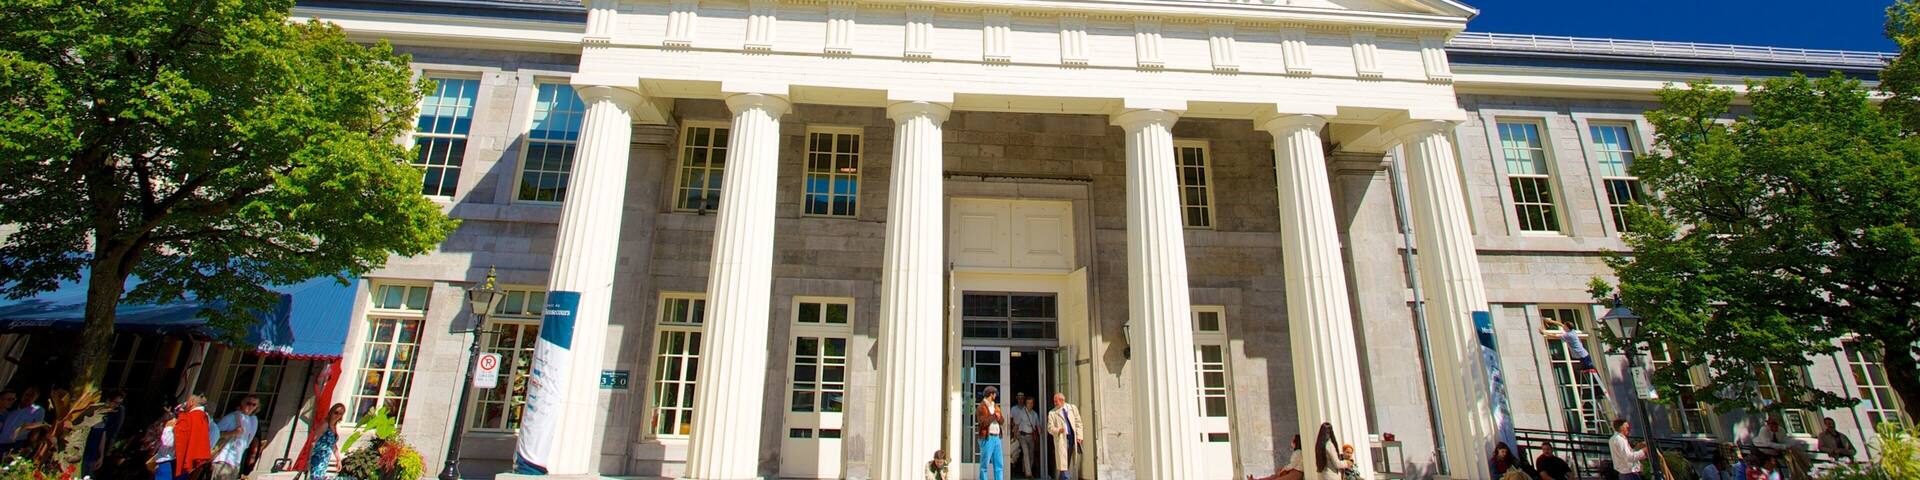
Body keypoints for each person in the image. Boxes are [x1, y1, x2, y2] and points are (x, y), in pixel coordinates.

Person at [211, 395, 261, 480]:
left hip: (236, 462)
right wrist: (232, 433)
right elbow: (216, 433)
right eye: (248, 403)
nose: (251, 406)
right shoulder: (231, 417)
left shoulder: (250, 420)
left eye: (254, 405)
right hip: (223, 459)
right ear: (242, 403)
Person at [85, 390, 127, 476]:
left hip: (93, 453)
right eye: (115, 403)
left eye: (119, 404)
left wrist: (101, 455)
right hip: (86, 450)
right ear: (108, 400)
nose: (116, 406)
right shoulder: (96, 413)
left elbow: (103, 435)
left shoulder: (107, 416)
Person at [173, 394, 215, 479]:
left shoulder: (192, 416)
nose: (185, 403)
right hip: (191, 460)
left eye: (187, 401)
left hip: (181, 458)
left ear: (192, 402)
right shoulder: (203, 417)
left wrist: (179, 414)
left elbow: (179, 435)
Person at [1046, 392, 1085, 480]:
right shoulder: (1052, 413)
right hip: (1061, 439)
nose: (1055, 403)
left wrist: (1079, 436)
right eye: (1054, 401)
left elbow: (1078, 422)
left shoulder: (1072, 408)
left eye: (1056, 401)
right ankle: (1066, 478)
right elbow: (1049, 428)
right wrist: (1058, 430)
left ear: (1062, 400)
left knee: (1066, 461)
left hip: (1072, 438)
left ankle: (1062, 478)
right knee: (1063, 461)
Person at [0, 388, 45, 457]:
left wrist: (31, 445)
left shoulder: (36, 410)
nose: (28, 397)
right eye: (26, 395)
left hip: (14, 445)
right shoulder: (13, 407)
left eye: (32, 396)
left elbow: (36, 429)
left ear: (36, 397)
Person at [307, 403, 346, 480]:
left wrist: (338, 460)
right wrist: (309, 460)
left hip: (325, 459)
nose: (337, 415)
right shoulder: (325, 425)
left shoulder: (334, 427)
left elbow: (333, 445)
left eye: (340, 414)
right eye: (336, 412)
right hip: (318, 457)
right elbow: (314, 442)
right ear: (331, 412)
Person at [975, 387, 1005, 480]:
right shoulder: (981, 407)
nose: (996, 395)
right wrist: (994, 416)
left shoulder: (995, 406)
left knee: (999, 464)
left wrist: (999, 418)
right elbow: (983, 423)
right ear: (991, 394)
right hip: (987, 438)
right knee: (984, 465)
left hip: (997, 438)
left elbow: (1002, 421)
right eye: (995, 393)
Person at [1008, 393, 1039, 478]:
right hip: (1021, 435)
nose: (1030, 404)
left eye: (1031, 403)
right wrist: (1013, 435)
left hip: (1031, 436)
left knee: (1030, 454)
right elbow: (1014, 423)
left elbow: (1038, 426)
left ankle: (1026, 469)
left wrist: (1040, 435)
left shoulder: (1035, 414)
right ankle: (1028, 473)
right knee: (1023, 453)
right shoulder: (1016, 410)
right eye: (1019, 398)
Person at [152, 412, 179, 480]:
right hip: (165, 462)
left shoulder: (170, 429)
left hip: (168, 462)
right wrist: (169, 428)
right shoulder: (168, 429)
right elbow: (168, 443)